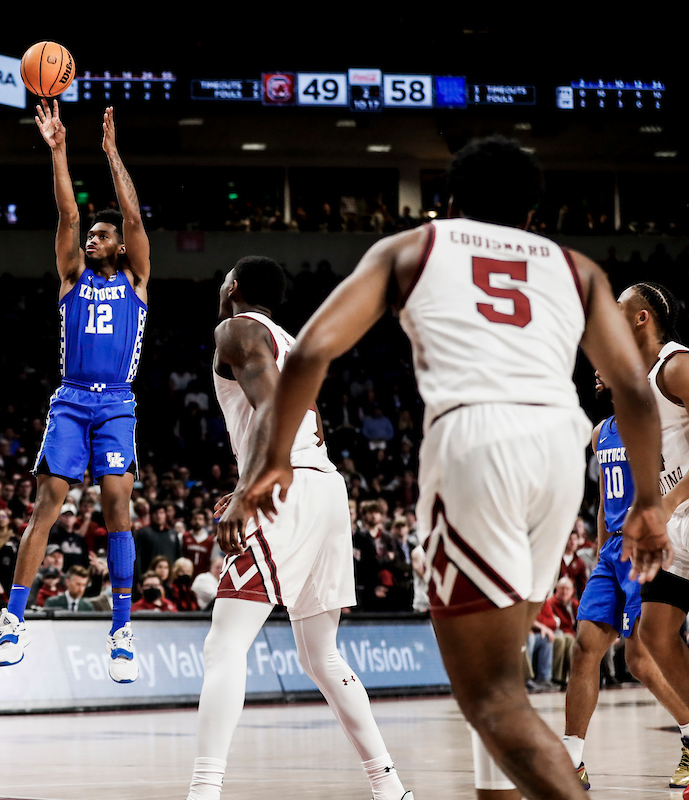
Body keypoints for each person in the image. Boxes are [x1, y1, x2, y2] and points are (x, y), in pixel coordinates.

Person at [226, 137, 667, 800]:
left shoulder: (413, 249)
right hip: (557, 453)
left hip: (474, 445)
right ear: (532, 215)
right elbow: (634, 391)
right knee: (502, 687)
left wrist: (271, 459)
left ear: (449, 203)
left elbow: (313, 348)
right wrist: (649, 506)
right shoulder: (577, 269)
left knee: (493, 699)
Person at [184, 256, 409, 800]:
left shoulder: (233, 328)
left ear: (232, 284)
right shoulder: (287, 338)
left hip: (287, 488)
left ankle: (203, 792)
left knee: (224, 646)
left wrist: (248, 489)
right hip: (324, 485)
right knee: (319, 655)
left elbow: (268, 409)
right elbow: (305, 420)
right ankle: (390, 786)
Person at [0, 101, 151, 684]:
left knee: (117, 503)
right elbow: (65, 212)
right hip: (70, 399)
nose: (93, 237)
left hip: (116, 401)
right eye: (92, 233)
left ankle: (120, 628)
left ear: (119, 247)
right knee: (49, 500)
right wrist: (59, 149)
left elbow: (134, 221)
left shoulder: (136, 280)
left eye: (102, 234)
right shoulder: (72, 277)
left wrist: (112, 155)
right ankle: (13, 617)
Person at [608, 283, 689, 791]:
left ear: (641, 318)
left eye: (618, 310)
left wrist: (669, 501)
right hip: (675, 519)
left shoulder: (677, 365)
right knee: (654, 636)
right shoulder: (638, 382)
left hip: (684, 507)